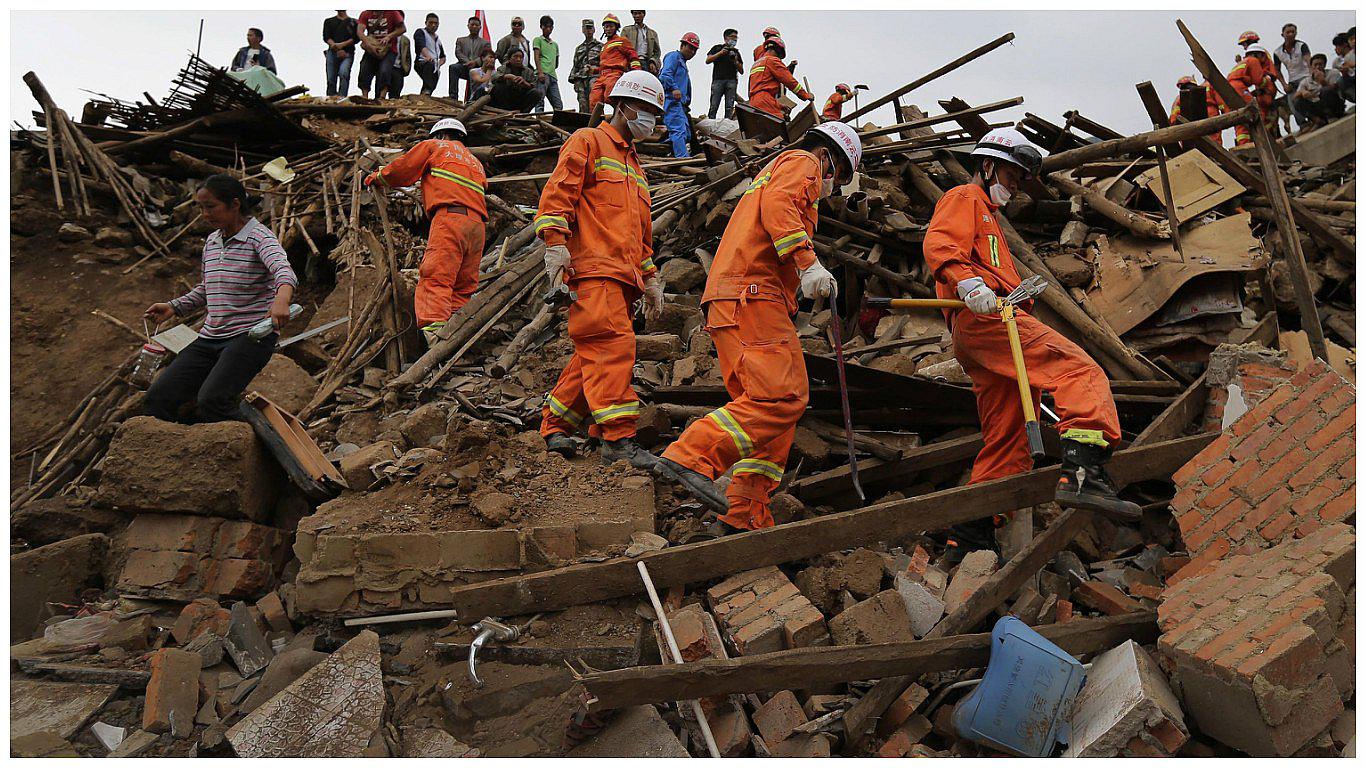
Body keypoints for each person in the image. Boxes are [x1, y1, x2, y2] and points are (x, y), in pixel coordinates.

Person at [922, 128, 1139, 520]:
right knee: (1078, 371)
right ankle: (1084, 473)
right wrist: (969, 283)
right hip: (988, 321)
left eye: (1020, 179)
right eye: (1011, 175)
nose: (1015, 186)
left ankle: (972, 529)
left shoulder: (989, 217)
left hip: (978, 330)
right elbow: (940, 242)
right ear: (987, 166)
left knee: (1009, 436)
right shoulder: (965, 197)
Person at [655, 123, 862, 534]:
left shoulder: (776, 169)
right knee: (782, 398)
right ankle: (690, 456)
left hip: (737, 297)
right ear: (832, 161)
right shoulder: (804, 161)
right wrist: (808, 262)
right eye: (835, 181)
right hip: (753, 294)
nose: (827, 189)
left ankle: (744, 511)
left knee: (764, 413)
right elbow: (781, 205)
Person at [534, 70, 666, 469]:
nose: (651, 120)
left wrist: (651, 278)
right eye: (646, 110)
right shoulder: (588, 141)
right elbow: (558, 194)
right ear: (623, 106)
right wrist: (555, 245)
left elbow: (641, 236)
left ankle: (557, 424)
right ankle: (618, 439)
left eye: (655, 114)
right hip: (594, 271)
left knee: (593, 351)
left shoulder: (635, 168)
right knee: (610, 347)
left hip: (622, 279)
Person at [142, 175, 296, 424]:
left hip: (250, 336)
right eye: (201, 207)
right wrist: (173, 307)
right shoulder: (212, 242)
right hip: (210, 338)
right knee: (158, 398)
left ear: (235, 204)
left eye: (211, 206)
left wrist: (281, 300)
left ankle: (264, 441)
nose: (204, 214)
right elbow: (208, 288)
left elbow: (283, 271)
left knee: (213, 400)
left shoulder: (260, 237)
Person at [364, 119, 487, 345]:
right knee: (463, 285)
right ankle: (459, 335)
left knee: (436, 276)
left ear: (439, 135)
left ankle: (437, 338)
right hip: (477, 226)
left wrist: (378, 177)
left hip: (450, 218)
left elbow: (403, 170)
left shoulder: (435, 146)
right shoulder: (475, 162)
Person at [748, 37, 812, 119]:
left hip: (753, 102)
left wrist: (779, 106)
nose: (780, 59)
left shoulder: (756, 64)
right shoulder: (773, 60)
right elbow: (790, 81)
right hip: (765, 100)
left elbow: (761, 88)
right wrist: (805, 95)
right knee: (779, 126)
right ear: (778, 50)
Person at [1226, 43, 1276, 146]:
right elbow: (1258, 80)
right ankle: (1263, 141)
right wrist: (1267, 80)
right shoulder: (1253, 60)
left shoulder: (1242, 63)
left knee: (1240, 119)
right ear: (1258, 54)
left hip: (1230, 89)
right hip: (1239, 87)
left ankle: (1244, 145)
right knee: (1256, 112)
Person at [590, 14, 642, 110]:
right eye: (606, 27)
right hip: (601, 76)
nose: (608, 29)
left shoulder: (622, 41)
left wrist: (636, 73)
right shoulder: (604, 46)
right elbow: (605, 65)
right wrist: (594, 70)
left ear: (616, 28)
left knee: (610, 97)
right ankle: (596, 123)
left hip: (614, 74)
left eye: (611, 26)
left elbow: (633, 57)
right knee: (594, 100)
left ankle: (620, 117)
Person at [660, 33, 698, 157]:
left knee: (686, 134)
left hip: (681, 105)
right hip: (672, 101)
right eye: (690, 48)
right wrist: (674, 88)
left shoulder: (682, 62)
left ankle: (668, 150)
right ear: (682, 45)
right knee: (679, 131)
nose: (692, 52)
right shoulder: (674, 56)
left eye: (695, 50)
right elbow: (665, 76)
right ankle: (682, 158)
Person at [357, 10, 406, 99]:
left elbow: (402, 28)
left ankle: (382, 96)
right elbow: (360, 31)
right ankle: (365, 96)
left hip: (389, 49)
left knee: (385, 70)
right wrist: (367, 43)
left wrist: (389, 36)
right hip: (371, 47)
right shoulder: (366, 14)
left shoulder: (393, 12)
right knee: (365, 69)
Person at [1273, 23, 1312, 129]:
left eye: (1293, 32)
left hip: (1305, 76)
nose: (1291, 34)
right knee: (1292, 102)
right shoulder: (1277, 52)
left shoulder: (1302, 45)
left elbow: (1308, 60)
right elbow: (1277, 70)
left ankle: (1315, 118)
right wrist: (1284, 84)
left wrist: (1311, 77)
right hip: (1292, 80)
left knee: (1310, 96)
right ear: (1282, 34)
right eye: (1288, 32)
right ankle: (1303, 124)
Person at [1294, 54, 1347, 126]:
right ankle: (1317, 121)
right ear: (1311, 66)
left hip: (1335, 106)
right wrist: (1303, 92)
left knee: (1326, 90)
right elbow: (1294, 97)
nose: (1318, 67)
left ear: (1324, 65)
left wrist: (1323, 82)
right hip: (1319, 108)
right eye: (1315, 65)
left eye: (1320, 64)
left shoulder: (1333, 73)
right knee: (1297, 101)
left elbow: (1336, 89)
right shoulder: (1306, 81)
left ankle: (1331, 116)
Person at [705, 29, 744, 119]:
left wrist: (735, 61)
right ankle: (711, 123)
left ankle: (727, 124)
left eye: (736, 38)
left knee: (729, 106)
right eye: (732, 37)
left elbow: (741, 70)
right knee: (714, 105)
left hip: (732, 81)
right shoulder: (717, 48)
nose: (734, 40)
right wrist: (721, 53)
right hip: (718, 80)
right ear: (726, 38)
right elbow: (708, 60)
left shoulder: (736, 52)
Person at [448, 16, 488, 99]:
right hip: (463, 66)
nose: (474, 27)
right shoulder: (461, 40)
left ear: (480, 27)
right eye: (472, 24)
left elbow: (486, 55)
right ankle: (453, 96)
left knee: (474, 73)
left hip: (478, 68)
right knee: (453, 67)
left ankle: (470, 99)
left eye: (476, 25)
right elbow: (458, 52)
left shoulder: (485, 43)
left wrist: (475, 62)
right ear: (468, 26)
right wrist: (467, 62)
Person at [569, 18, 603, 113]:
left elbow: (604, 63)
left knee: (595, 101)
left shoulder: (600, 46)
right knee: (582, 104)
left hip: (595, 77)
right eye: (586, 28)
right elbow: (575, 65)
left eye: (590, 28)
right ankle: (584, 126)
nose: (589, 30)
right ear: (583, 29)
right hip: (581, 78)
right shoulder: (579, 48)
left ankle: (597, 123)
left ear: (594, 29)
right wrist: (574, 79)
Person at [323, 12, 359, 97]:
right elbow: (326, 37)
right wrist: (335, 46)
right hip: (332, 52)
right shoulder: (329, 21)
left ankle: (342, 97)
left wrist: (342, 45)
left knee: (344, 73)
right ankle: (331, 98)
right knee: (331, 78)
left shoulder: (354, 22)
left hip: (348, 53)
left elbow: (355, 38)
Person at [533, 16, 563, 112]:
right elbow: (536, 57)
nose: (548, 29)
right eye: (546, 27)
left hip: (552, 75)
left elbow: (556, 62)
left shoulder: (555, 45)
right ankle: (539, 119)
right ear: (541, 27)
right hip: (543, 73)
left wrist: (551, 68)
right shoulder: (538, 40)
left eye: (550, 27)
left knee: (558, 104)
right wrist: (540, 72)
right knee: (539, 100)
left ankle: (557, 123)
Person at [413, 13, 446, 96]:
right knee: (429, 70)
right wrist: (427, 56)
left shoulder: (438, 40)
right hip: (423, 62)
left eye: (436, 23)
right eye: (431, 23)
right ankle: (426, 91)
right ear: (426, 23)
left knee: (431, 84)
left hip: (435, 66)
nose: (433, 25)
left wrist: (439, 64)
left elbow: (443, 57)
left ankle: (424, 96)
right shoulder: (421, 32)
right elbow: (421, 45)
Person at [623, 10, 662, 74]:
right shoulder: (627, 30)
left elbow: (657, 52)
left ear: (644, 14)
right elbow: (622, 48)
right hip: (631, 62)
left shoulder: (652, 33)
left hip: (646, 63)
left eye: (639, 13)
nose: (637, 16)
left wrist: (653, 62)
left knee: (645, 82)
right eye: (635, 13)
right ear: (632, 15)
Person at [1331, 32, 1355, 103]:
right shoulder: (1337, 62)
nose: (1335, 49)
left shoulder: (1353, 53)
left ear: (1344, 45)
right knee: (1341, 82)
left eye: (1337, 46)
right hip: (1350, 81)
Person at [390, 30, 412, 97]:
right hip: (386, 65)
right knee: (382, 86)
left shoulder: (405, 40)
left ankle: (393, 105)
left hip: (398, 67)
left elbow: (408, 56)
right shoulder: (385, 35)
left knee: (396, 89)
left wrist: (406, 68)